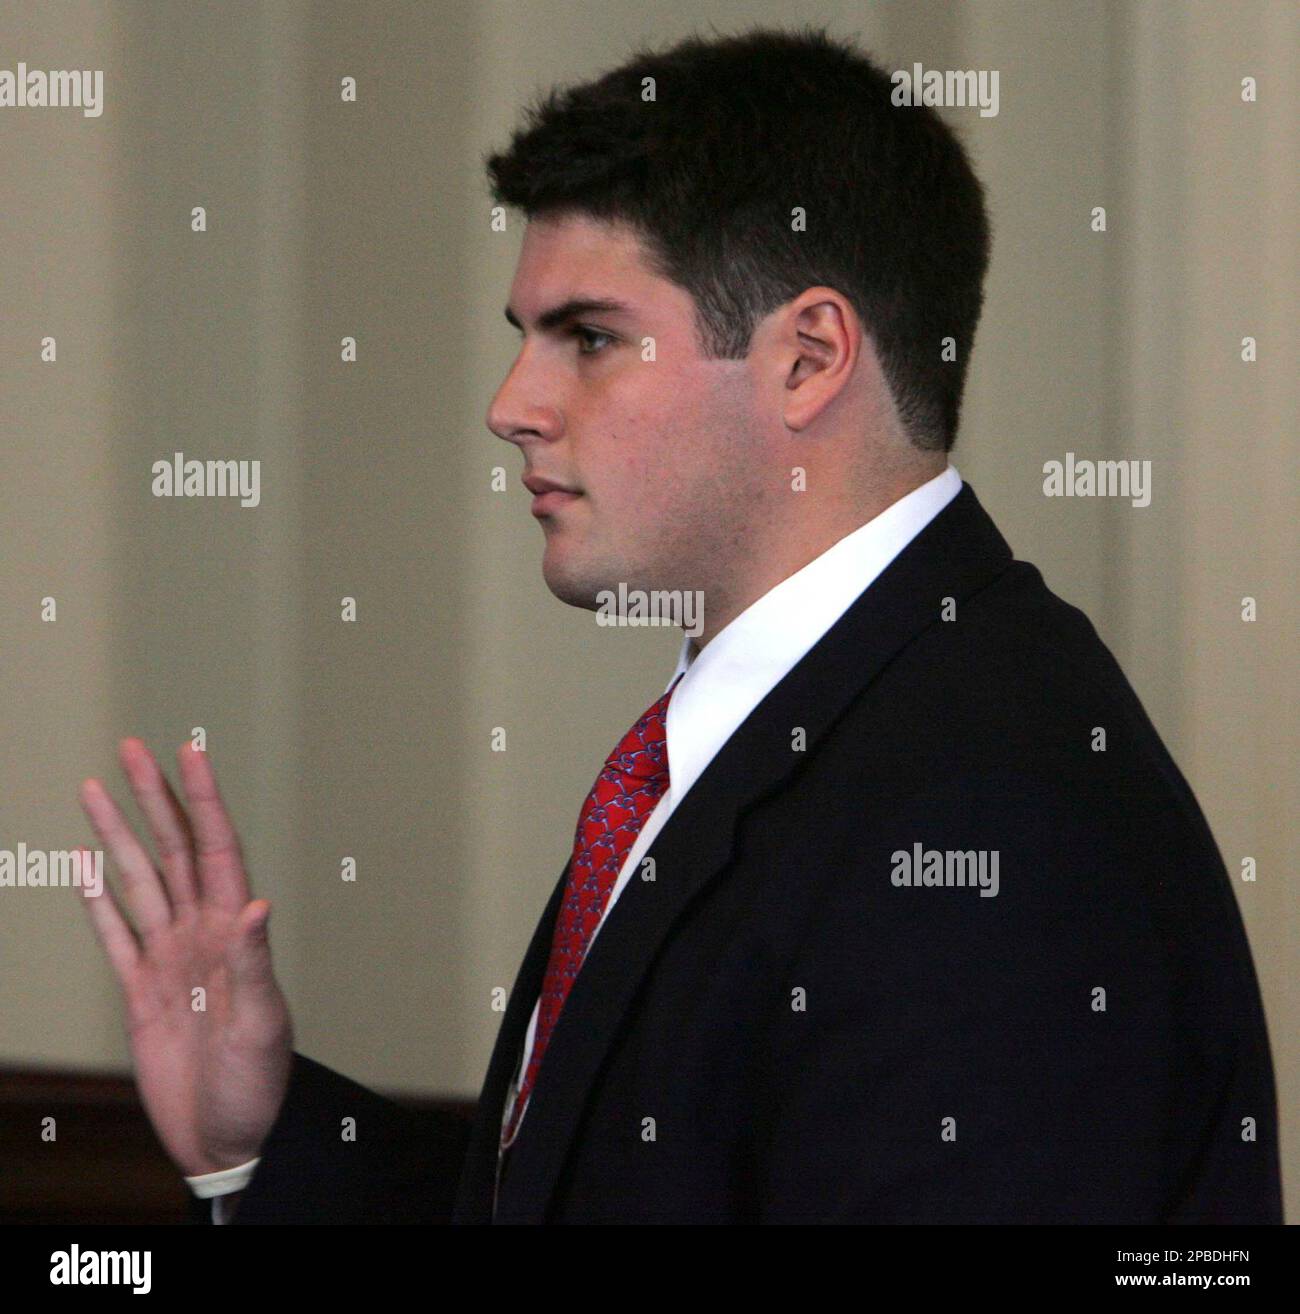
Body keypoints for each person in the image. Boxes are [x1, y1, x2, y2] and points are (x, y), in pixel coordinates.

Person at [77, 24, 1282, 1224]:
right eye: (525, 339)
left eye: (590, 339)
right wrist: (265, 1140)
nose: (512, 408)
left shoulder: (988, 818)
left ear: (807, 359)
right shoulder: (814, 725)